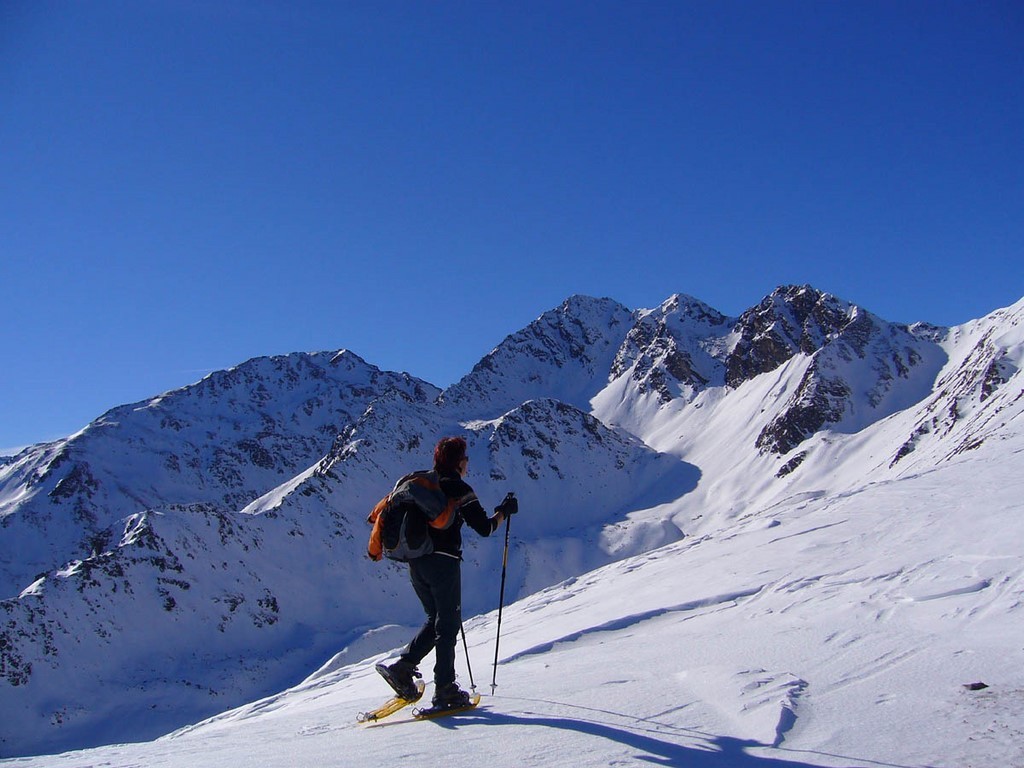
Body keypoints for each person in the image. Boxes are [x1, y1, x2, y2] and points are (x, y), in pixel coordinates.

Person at [377, 436, 517, 709]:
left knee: (436, 619)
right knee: (448, 623)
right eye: (465, 459)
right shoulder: (458, 487)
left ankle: (403, 668)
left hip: (416, 561)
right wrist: (504, 512)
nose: (467, 464)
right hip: (443, 561)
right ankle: (445, 688)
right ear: (459, 462)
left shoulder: (422, 484)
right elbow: (485, 528)